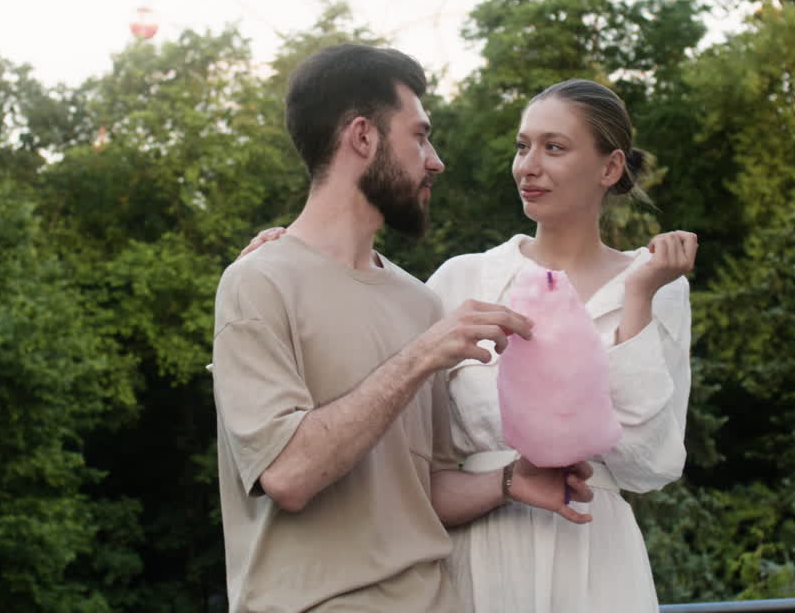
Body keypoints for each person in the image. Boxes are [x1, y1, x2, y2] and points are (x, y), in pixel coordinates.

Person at [245, 78, 696, 612]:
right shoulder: (464, 279)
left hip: (593, 556)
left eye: (553, 147)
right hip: (475, 555)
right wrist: (294, 258)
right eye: (522, 145)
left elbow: (650, 462)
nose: (527, 165)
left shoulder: (657, 285)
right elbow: (375, 380)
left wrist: (640, 295)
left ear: (610, 167)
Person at [211, 44, 595, 613]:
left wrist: (511, 481)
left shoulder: (419, 302)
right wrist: (419, 357)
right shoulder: (257, 284)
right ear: (362, 137)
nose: (435, 160)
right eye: (419, 136)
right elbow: (288, 475)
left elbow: (426, 490)